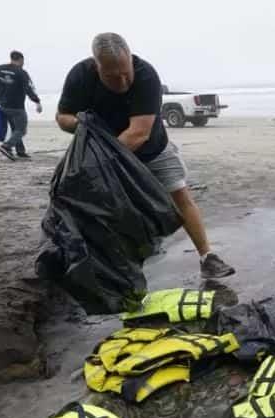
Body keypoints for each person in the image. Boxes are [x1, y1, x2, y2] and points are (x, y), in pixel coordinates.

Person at [55, 32, 235, 280]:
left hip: (151, 149)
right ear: (96, 65)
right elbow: (62, 117)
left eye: (126, 72)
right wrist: (81, 124)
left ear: (130, 58)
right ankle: (113, 269)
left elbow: (138, 133)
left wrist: (103, 165)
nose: (122, 81)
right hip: (103, 154)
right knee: (107, 211)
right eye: (112, 76)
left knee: (181, 197)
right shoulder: (80, 76)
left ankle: (208, 257)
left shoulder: (146, 75)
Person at [0, 50, 42, 160]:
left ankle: (20, 151)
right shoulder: (21, 72)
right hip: (17, 107)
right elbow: (28, 89)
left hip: (3, 105)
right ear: (21, 59)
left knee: (15, 129)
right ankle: (6, 146)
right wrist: (37, 101)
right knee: (22, 130)